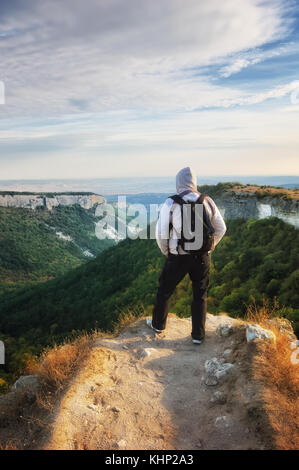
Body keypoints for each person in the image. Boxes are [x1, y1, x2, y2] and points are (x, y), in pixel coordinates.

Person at [147, 167, 226, 344]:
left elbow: (160, 233)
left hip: (178, 256)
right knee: (200, 294)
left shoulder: (172, 202)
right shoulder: (207, 201)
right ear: (194, 182)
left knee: (165, 289)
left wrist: (167, 252)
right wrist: (210, 247)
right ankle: (198, 336)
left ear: (179, 183)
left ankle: (158, 325)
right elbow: (221, 228)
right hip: (202, 257)